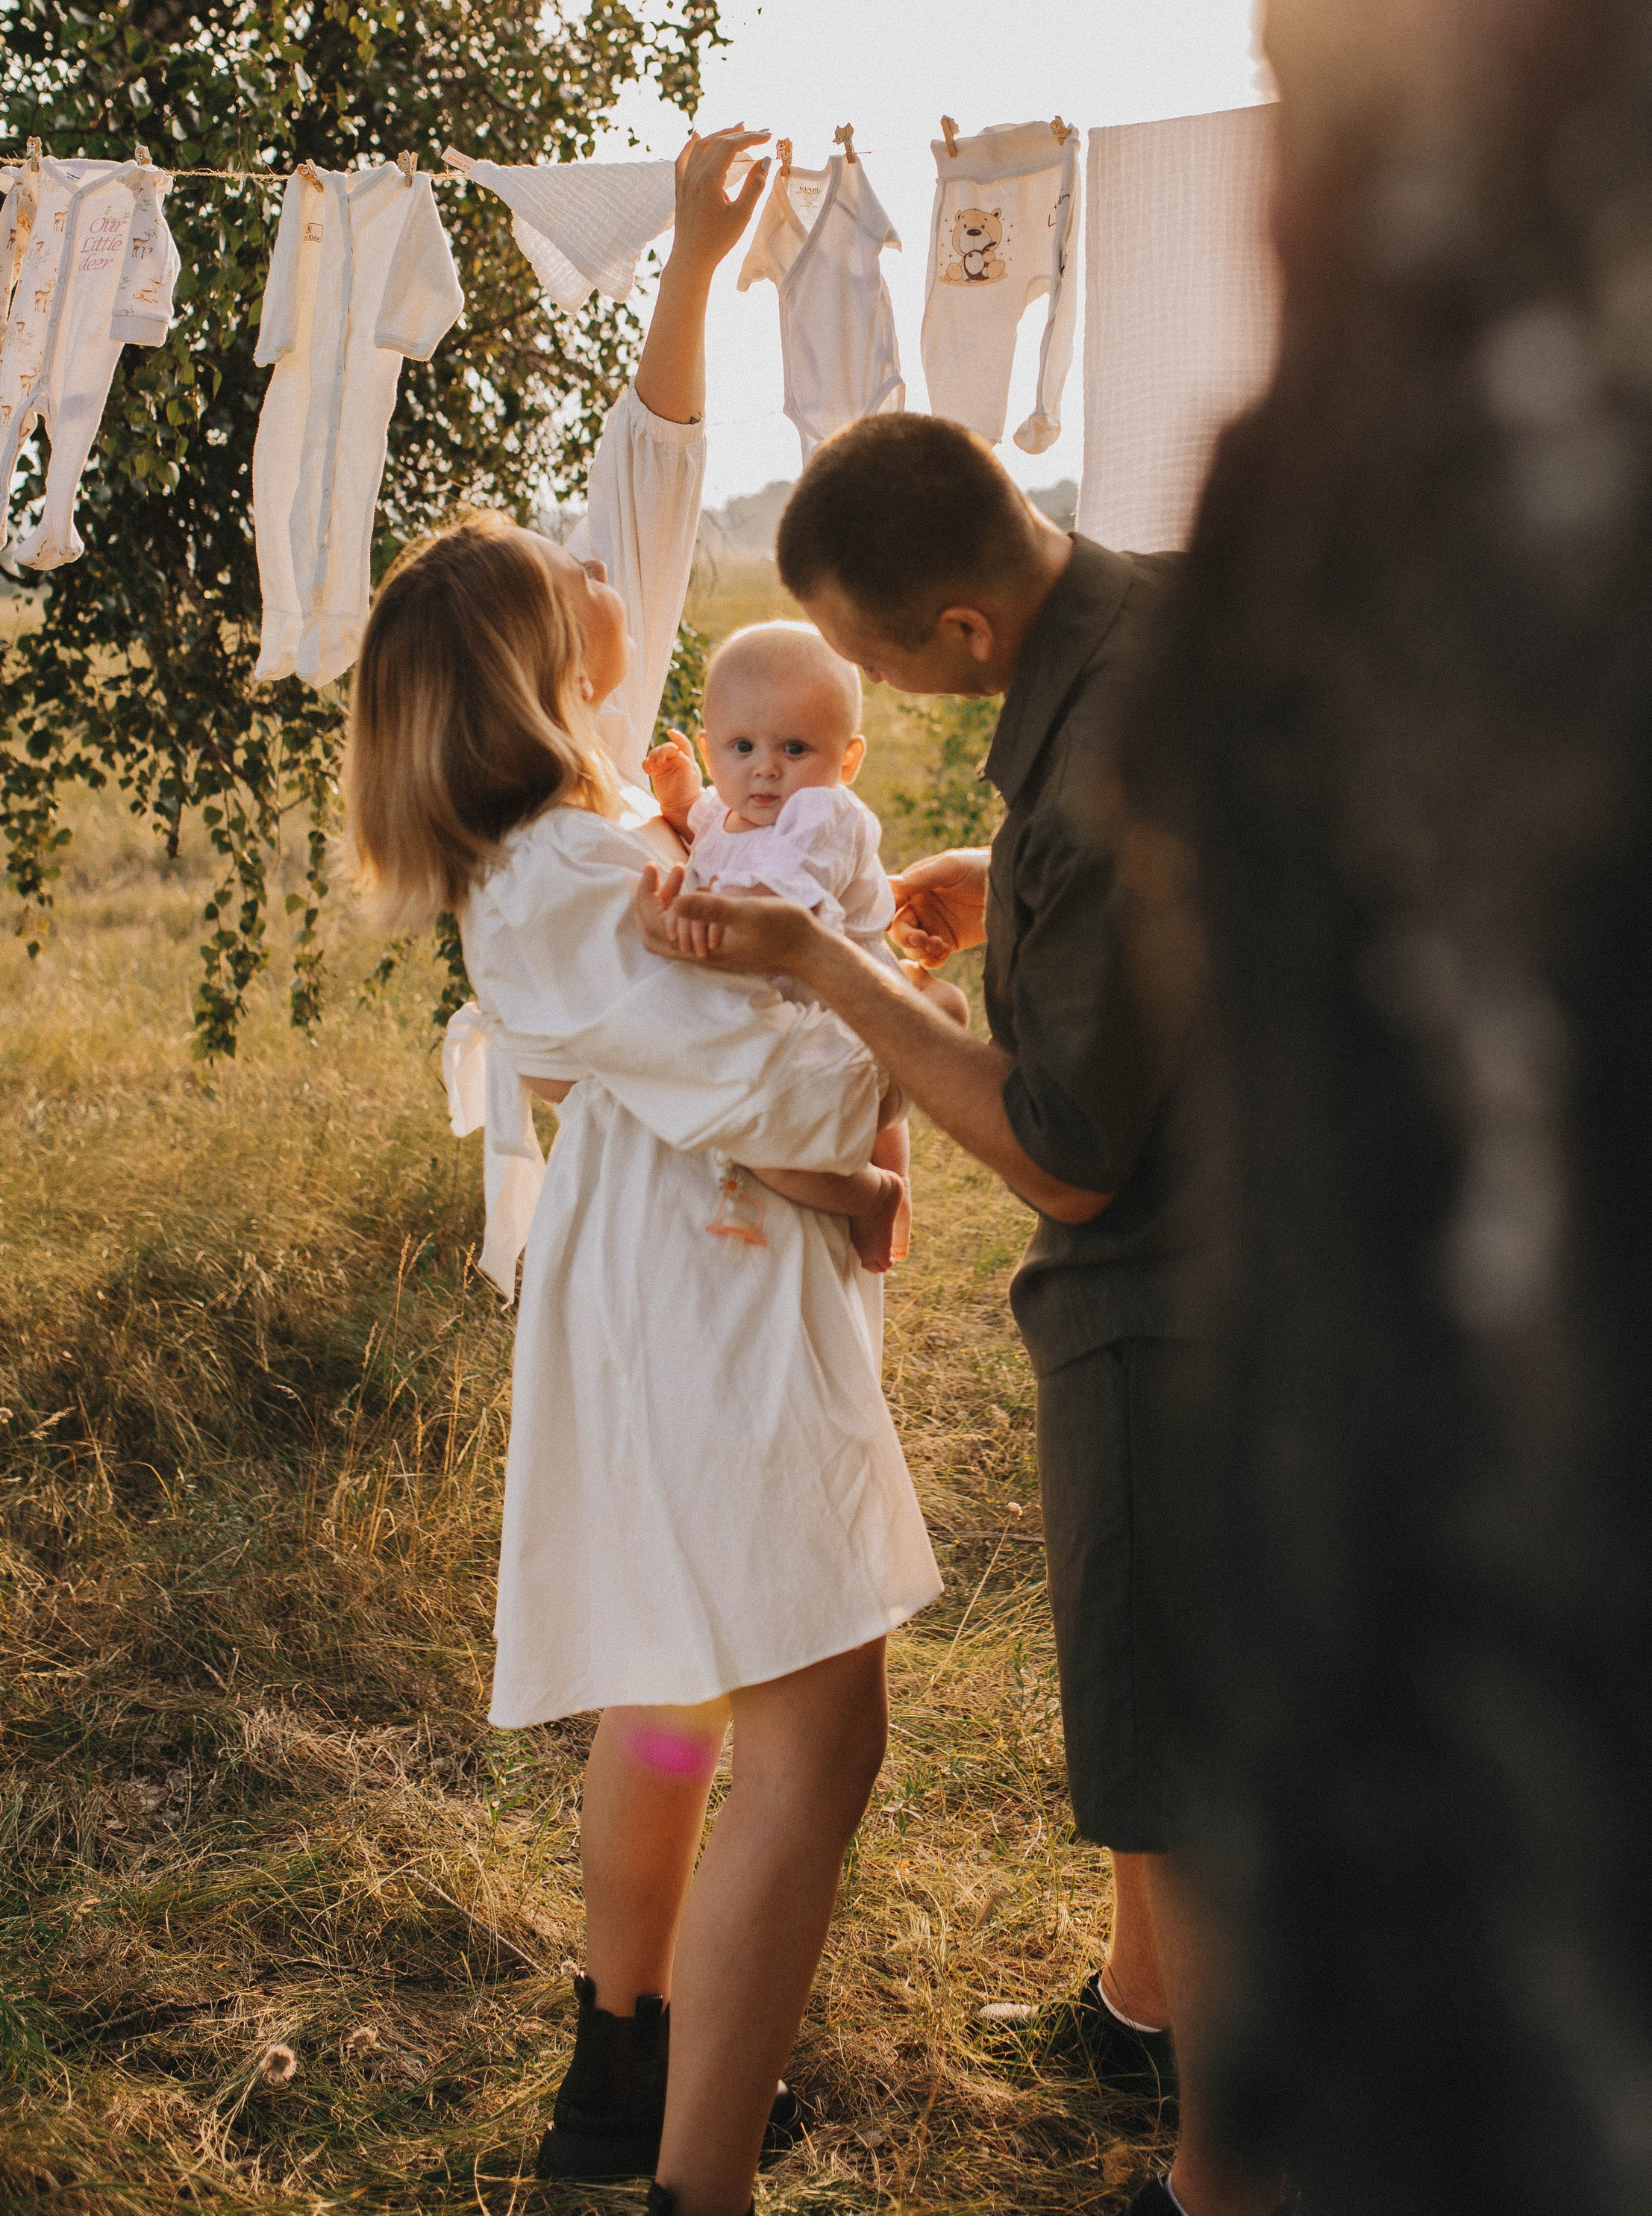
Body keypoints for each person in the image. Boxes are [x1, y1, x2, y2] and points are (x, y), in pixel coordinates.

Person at [344, 135, 942, 2216]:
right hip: (696, 1286)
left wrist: (689, 265)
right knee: (809, 1723)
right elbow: (773, 1098)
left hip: (651, 1273)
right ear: (541, 671)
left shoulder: (578, 819)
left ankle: (625, 2065)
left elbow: (649, 491)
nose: (614, 588)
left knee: (676, 1684)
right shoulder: (581, 879)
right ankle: (694, 2173)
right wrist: (896, 968)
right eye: (569, 594)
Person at [640, 410, 1273, 2216]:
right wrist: (1012, 908)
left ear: (962, 634)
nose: (856, 682)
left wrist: (827, 968)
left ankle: (1223, 2178)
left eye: (864, 650)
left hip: (1168, 1284)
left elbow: (1067, 1154)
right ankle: (1139, 2010)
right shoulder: (1167, 611)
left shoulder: (1082, 768)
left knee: (1176, 1738)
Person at [642, 620, 966, 1272]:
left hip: (854, 1016)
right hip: (800, 1012)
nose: (765, 767)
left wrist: (685, 921)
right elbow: (700, 823)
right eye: (741, 746)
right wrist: (679, 797)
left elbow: (774, 906)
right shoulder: (728, 807)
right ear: (710, 753)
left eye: (794, 747)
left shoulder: (826, 816)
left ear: (847, 761)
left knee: (769, 1145)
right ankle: (915, 1055)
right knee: (839, 1118)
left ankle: (873, 1196)